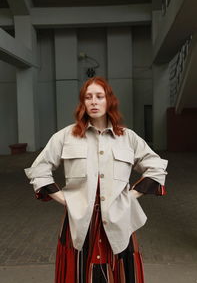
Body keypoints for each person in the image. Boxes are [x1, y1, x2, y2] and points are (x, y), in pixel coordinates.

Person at [25, 77, 168, 283]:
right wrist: (66, 200)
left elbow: (156, 167)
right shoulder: (65, 136)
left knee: (121, 274)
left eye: (99, 97)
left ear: (109, 101)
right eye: (88, 97)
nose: (93, 102)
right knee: (78, 274)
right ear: (82, 103)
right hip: (79, 223)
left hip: (119, 222)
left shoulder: (127, 138)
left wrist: (130, 196)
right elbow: (39, 169)